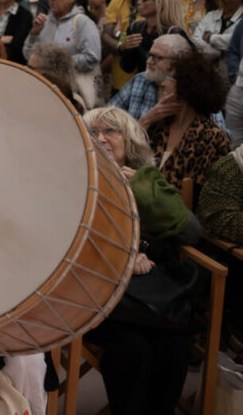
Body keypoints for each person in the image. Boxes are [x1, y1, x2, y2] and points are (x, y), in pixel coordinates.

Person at [82, 107, 200, 415]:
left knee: (174, 344)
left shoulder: (144, 178)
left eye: (110, 131)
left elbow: (191, 232)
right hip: (94, 292)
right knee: (134, 349)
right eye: (93, 133)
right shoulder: (75, 181)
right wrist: (120, 258)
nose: (101, 139)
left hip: (145, 295)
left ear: (129, 140)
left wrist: (141, 188)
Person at [148, 49, 232, 193]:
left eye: (169, 80)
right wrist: (145, 120)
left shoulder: (212, 137)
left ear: (187, 88)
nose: (163, 84)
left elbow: (196, 197)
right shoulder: (158, 124)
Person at [23, 0, 102, 106]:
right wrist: (34, 34)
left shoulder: (83, 22)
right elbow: (27, 55)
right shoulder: (45, 21)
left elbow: (92, 57)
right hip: (43, 89)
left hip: (73, 92)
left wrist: (58, 64)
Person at [102, 0, 155, 91]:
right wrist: (121, 46)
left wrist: (118, 33)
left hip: (151, 85)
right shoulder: (117, 2)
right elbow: (106, 36)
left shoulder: (162, 3)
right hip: (121, 84)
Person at [116, 0, 188, 77]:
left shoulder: (175, 34)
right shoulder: (134, 27)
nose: (139, 2)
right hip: (143, 86)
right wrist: (122, 48)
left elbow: (187, 71)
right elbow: (127, 67)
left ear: (161, 3)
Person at [193, 0, 243, 73]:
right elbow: (196, 40)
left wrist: (210, 37)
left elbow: (234, 42)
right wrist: (216, 52)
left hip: (234, 76)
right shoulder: (211, 15)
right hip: (207, 75)